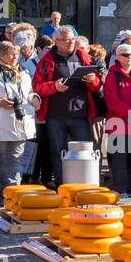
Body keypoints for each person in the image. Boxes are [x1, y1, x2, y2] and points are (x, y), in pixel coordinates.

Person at [33, 25, 101, 188]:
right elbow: (37, 86)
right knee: (58, 153)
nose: (70, 43)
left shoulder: (83, 56)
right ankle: (62, 185)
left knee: (84, 151)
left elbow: (97, 85)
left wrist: (93, 80)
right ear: (57, 41)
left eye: (72, 39)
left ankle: (84, 184)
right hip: (55, 115)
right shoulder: (47, 60)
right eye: (66, 40)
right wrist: (54, 87)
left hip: (80, 114)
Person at [0, 41, 40, 193]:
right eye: (11, 54)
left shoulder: (24, 73)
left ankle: (13, 190)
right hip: (1, 123)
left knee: (17, 157)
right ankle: (7, 190)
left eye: (17, 54)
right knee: (3, 159)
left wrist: (34, 98)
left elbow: (28, 93)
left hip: (21, 121)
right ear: (1, 55)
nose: (16, 57)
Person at [102, 43, 131, 195]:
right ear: (118, 57)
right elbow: (111, 100)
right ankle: (121, 188)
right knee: (119, 159)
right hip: (118, 123)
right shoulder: (112, 75)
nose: (130, 58)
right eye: (126, 55)